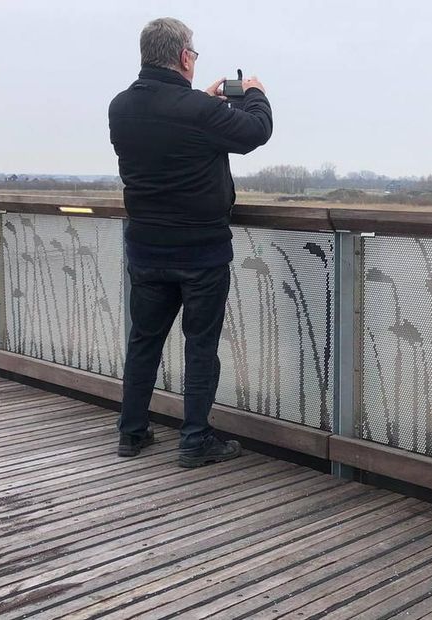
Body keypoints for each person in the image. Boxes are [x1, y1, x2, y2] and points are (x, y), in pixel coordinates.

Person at [108, 17, 273, 468]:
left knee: (144, 340)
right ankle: (195, 440)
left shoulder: (121, 107)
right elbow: (256, 131)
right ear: (184, 56)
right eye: (194, 54)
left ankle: (131, 432)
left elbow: (167, 124)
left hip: (144, 249)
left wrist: (201, 102)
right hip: (200, 252)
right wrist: (255, 92)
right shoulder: (198, 113)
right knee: (200, 346)